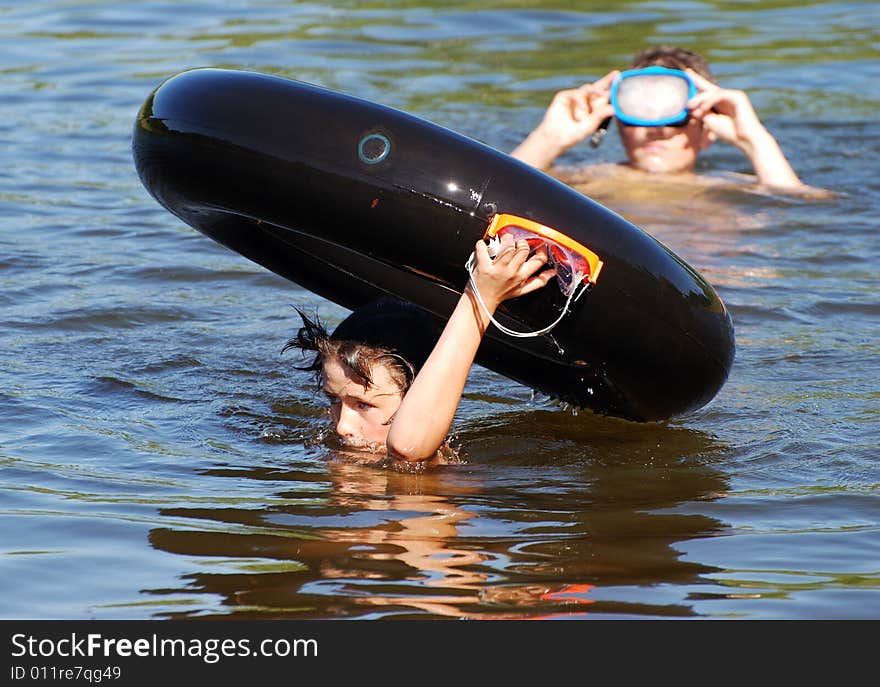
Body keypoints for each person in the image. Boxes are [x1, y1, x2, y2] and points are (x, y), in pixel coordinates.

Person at [283, 234, 556, 471]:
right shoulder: (328, 449)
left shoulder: (429, 465)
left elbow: (407, 448)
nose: (342, 427)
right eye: (334, 400)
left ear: (418, 395)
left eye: (363, 405)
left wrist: (482, 297)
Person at [510, 45, 804, 191]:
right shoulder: (589, 179)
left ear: (708, 130)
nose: (657, 129)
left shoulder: (725, 187)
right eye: (640, 113)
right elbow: (501, 188)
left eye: (675, 115)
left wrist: (755, 141)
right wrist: (548, 139)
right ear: (616, 122)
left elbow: (797, 206)